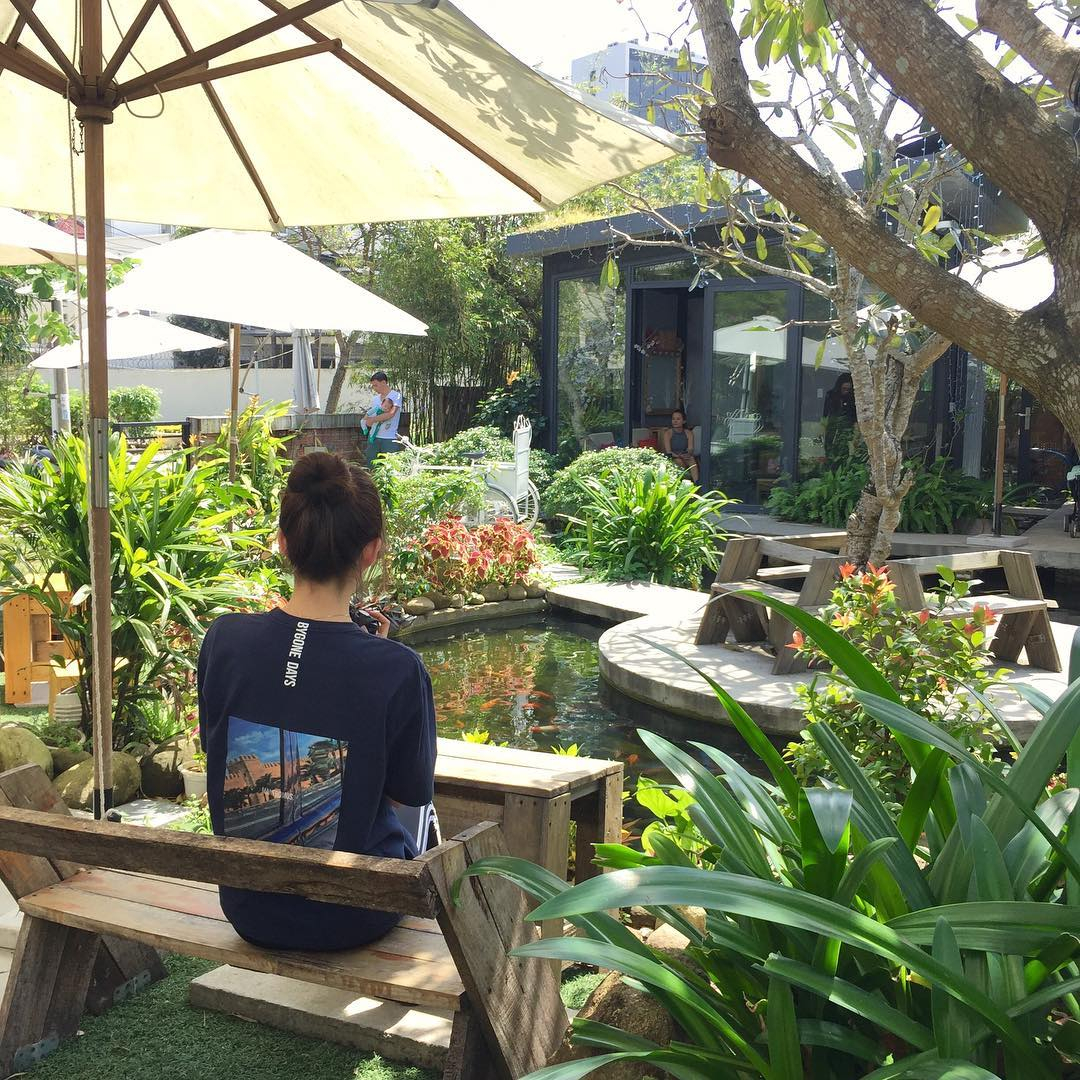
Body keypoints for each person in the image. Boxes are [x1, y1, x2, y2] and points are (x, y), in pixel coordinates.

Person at [198, 452, 437, 951]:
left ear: (283, 542)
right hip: (355, 916)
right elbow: (408, 795)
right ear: (371, 551)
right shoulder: (396, 668)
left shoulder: (224, 640)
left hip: (249, 908)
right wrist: (374, 657)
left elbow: (215, 750)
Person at [360, 370, 403, 464]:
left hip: (389, 437)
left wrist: (372, 420)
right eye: (372, 386)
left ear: (383, 382)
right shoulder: (375, 399)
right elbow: (371, 415)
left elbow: (391, 413)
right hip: (373, 437)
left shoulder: (396, 396)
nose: (374, 388)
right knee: (371, 465)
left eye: (376, 385)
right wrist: (367, 421)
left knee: (390, 466)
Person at [822, 373, 858, 462]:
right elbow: (825, 414)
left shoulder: (853, 398)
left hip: (847, 430)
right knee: (829, 452)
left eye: (848, 390)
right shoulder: (831, 395)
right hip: (832, 427)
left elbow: (855, 418)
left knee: (844, 454)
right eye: (844, 389)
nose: (846, 392)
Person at [661, 408, 699, 482]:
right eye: (673, 419)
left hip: (684, 455)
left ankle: (696, 483)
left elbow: (690, 448)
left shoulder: (688, 433)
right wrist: (678, 456)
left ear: (684, 421)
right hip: (673, 456)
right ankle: (684, 483)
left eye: (678, 419)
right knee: (679, 462)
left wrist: (688, 453)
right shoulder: (668, 433)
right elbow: (668, 451)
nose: (675, 421)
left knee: (692, 460)